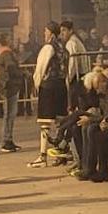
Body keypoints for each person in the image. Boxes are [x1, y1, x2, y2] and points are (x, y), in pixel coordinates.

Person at [32, 24, 68, 165]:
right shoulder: (63, 48)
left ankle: (43, 156)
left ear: (51, 33)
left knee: (45, 123)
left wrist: (36, 84)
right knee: (61, 121)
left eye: (45, 31)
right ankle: (62, 153)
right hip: (61, 85)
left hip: (48, 87)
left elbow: (40, 68)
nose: (44, 34)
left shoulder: (48, 47)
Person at [0, 37, 23, 152]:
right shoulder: (6, 54)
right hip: (10, 87)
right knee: (10, 114)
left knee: (9, 114)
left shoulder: (1, 54)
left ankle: (8, 139)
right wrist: (20, 74)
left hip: (6, 87)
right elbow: (11, 67)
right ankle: (7, 140)